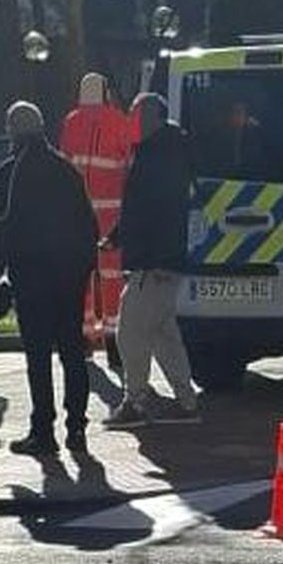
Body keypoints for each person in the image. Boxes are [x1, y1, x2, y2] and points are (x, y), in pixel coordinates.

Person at [0, 101, 99, 456]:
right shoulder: (66, 169)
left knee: (38, 356)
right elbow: (88, 223)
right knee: (72, 351)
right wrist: (83, 267)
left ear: (13, 131)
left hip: (32, 274)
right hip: (69, 275)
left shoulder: (11, 172)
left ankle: (43, 431)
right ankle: (78, 427)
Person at [103, 93, 199, 429]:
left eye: (136, 114)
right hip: (164, 260)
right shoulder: (168, 151)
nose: (132, 121)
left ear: (153, 117)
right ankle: (186, 402)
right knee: (163, 334)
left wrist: (126, 241)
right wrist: (116, 236)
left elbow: (147, 211)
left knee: (129, 332)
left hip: (153, 262)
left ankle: (135, 402)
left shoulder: (156, 156)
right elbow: (143, 209)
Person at [58, 73, 133, 346]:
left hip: (77, 213)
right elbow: (128, 165)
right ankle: (114, 332)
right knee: (112, 275)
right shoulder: (118, 121)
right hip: (111, 211)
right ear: (105, 93)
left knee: (82, 273)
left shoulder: (71, 122)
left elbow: (64, 164)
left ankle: (85, 332)